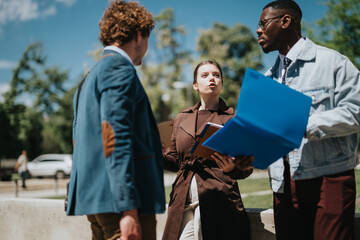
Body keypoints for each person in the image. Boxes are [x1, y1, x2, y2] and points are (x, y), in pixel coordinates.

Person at [256, 1, 360, 239]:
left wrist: (305, 125)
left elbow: (356, 111)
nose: (258, 30)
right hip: (282, 186)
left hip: (329, 180)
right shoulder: (266, 80)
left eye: (263, 23)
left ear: (285, 21)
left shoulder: (334, 63)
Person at [66, 1, 165, 240]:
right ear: (140, 35)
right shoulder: (118, 68)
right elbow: (115, 137)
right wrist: (128, 208)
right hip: (121, 205)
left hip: (97, 202)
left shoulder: (89, 78)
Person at [162, 59, 253, 240]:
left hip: (219, 199)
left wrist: (232, 168)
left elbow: (247, 164)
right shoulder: (181, 118)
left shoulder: (235, 118)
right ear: (195, 85)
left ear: (221, 83)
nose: (211, 78)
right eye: (205, 75)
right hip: (183, 199)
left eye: (216, 75)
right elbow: (175, 161)